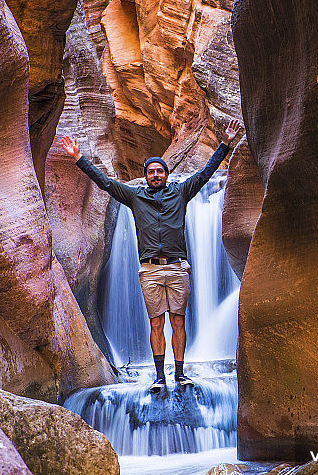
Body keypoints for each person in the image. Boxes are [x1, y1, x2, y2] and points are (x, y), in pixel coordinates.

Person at [61, 119, 243, 392]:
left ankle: (180, 374)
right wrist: (78, 159)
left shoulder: (181, 192)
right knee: (156, 323)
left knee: (178, 320)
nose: (156, 175)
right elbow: (106, 184)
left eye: (160, 171)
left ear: (166, 175)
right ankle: (160, 377)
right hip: (150, 271)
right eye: (151, 171)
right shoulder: (135, 197)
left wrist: (225, 144)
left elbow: (206, 173)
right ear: (145, 176)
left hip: (178, 267)